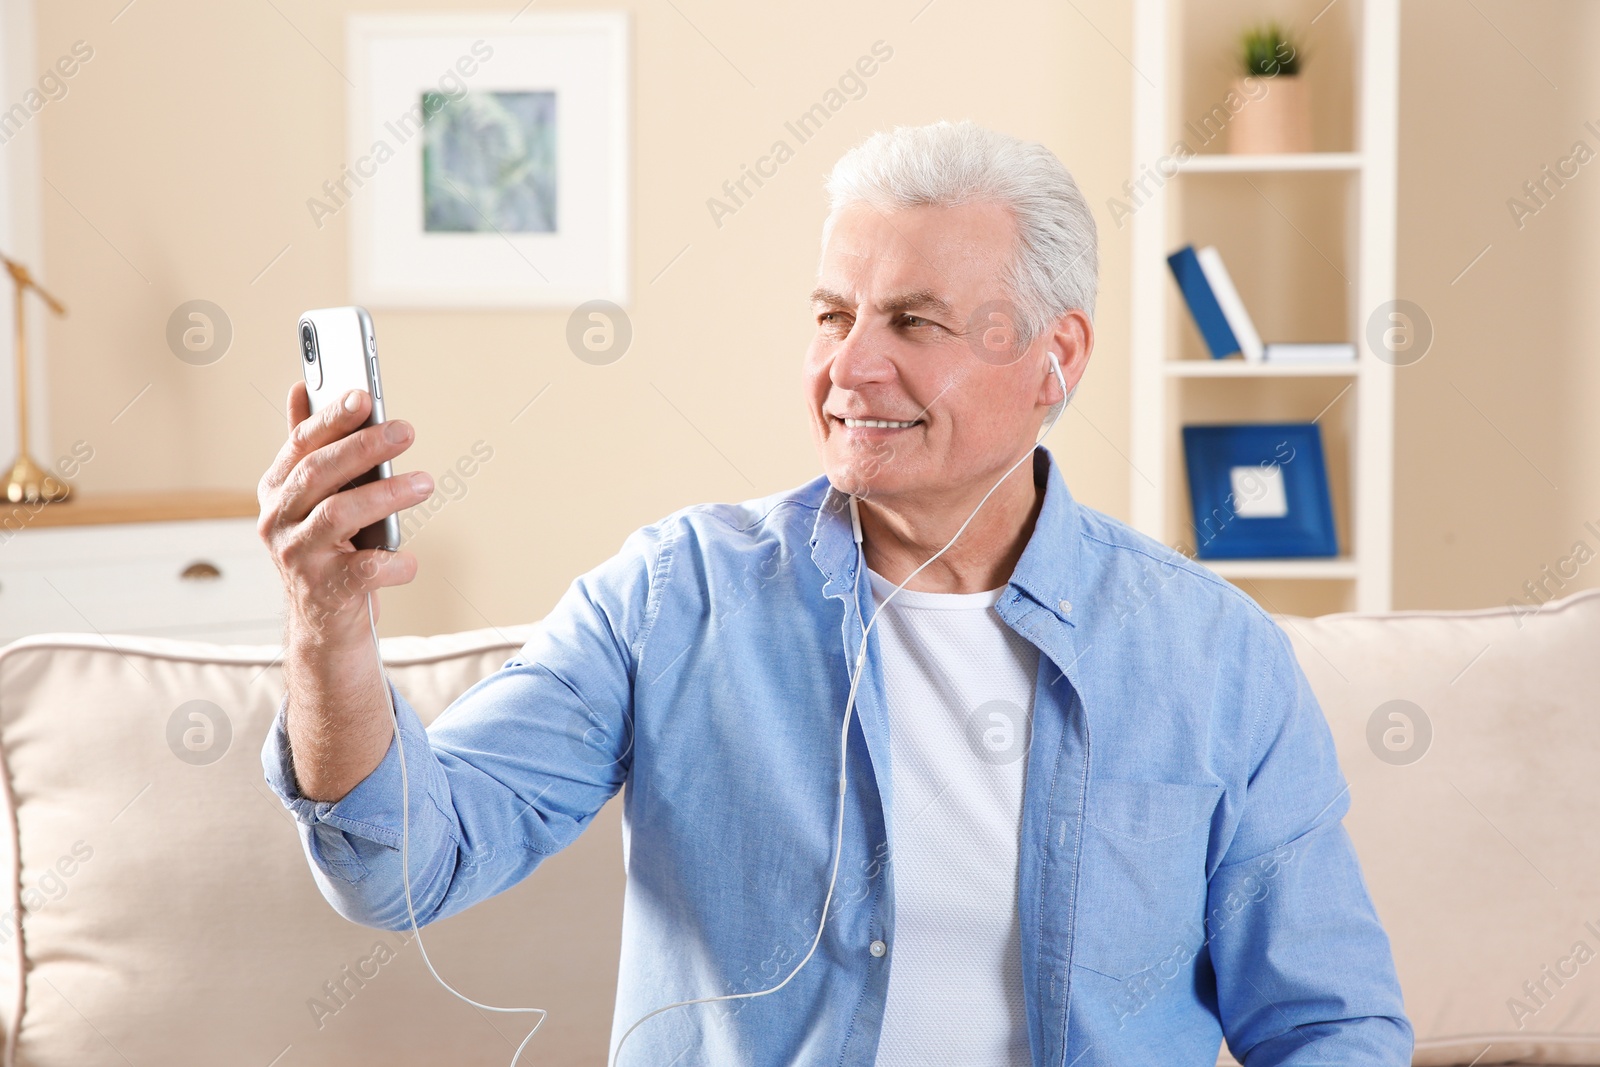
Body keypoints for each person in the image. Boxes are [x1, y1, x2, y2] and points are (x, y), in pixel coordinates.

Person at [258, 120, 1412, 1065]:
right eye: (831, 314)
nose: (850, 368)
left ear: (1056, 357)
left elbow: (1327, 1023)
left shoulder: (1212, 652)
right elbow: (405, 865)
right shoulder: (673, 594)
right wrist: (328, 623)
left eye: (913, 321)